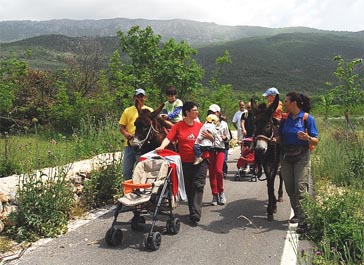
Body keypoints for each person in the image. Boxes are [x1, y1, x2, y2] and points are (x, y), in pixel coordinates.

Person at [155, 101, 209, 225]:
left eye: (197, 110)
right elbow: (169, 138)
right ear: (187, 112)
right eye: (194, 110)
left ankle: (195, 213)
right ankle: (193, 210)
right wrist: (162, 147)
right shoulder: (178, 126)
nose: (197, 112)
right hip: (185, 162)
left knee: (198, 185)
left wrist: (210, 137)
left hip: (201, 160)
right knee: (189, 186)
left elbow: (210, 138)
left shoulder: (201, 126)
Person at [278, 92, 318, 234]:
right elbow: (279, 136)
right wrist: (275, 140)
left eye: (286, 101)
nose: (284, 103)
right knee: (290, 189)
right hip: (286, 156)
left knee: (301, 188)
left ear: (294, 103)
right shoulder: (284, 118)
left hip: (302, 156)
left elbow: (315, 141)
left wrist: (307, 137)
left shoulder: (307, 119)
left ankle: (304, 221)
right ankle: (297, 212)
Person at [119, 88, 153, 180]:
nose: (140, 98)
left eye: (142, 96)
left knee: (141, 171)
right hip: (130, 144)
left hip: (143, 145)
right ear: (135, 98)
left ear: (145, 98)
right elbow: (121, 127)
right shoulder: (128, 111)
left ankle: (139, 190)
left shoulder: (149, 110)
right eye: (138, 96)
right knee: (126, 171)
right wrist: (127, 135)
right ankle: (129, 190)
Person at [207, 104, 231, 206]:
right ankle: (214, 195)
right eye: (211, 112)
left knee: (218, 170)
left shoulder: (224, 124)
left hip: (220, 149)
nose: (212, 114)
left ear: (218, 113)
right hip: (210, 150)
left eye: (214, 112)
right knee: (212, 173)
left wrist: (225, 138)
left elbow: (229, 137)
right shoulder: (207, 123)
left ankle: (221, 192)